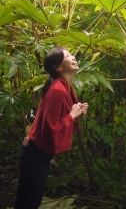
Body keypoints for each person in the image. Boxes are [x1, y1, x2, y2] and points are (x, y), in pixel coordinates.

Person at [14, 47, 88, 209]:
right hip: (34, 154)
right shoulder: (57, 90)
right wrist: (72, 115)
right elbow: (50, 127)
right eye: (67, 56)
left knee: (33, 200)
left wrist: (75, 111)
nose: (73, 57)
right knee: (28, 203)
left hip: (40, 154)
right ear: (58, 67)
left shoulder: (66, 87)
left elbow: (59, 117)